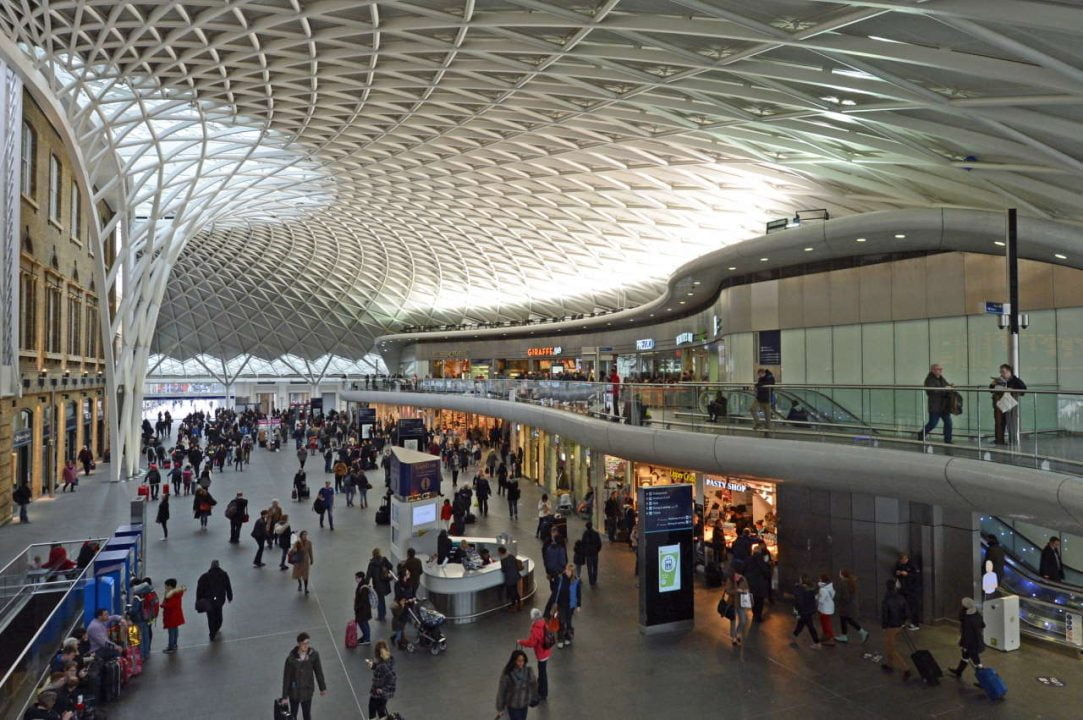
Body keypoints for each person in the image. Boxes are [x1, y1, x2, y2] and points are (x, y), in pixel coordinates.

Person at [281, 632, 327, 720]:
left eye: (308, 643)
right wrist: (284, 696)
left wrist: (322, 687)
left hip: (307, 690)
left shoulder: (313, 656)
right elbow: (286, 678)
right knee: (293, 715)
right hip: (294, 692)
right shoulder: (290, 660)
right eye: (304, 643)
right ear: (299, 644)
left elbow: (318, 672)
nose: (306, 646)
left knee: (307, 714)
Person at [516, 608, 552, 703]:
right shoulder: (543, 623)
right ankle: (541, 688)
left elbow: (531, 643)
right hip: (546, 651)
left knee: (542, 673)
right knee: (542, 672)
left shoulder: (536, 629)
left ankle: (543, 693)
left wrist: (521, 642)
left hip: (541, 654)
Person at [880, 579, 911, 681]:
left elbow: (885, 615)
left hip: (891, 626)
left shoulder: (886, 599)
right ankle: (890, 664)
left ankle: (905, 668)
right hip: (899, 625)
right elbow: (906, 612)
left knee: (891, 648)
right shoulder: (901, 598)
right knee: (888, 645)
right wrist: (902, 622)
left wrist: (884, 627)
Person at [544, 563, 581, 648]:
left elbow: (578, 594)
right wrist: (551, 580)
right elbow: (554, 589)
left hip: (570, 605)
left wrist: (578, 605)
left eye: (569, 571)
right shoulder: (560, 578)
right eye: (566, 570)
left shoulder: (576, 581)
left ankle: (568, 637)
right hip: (561, 604)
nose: (567, 572)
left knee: (568, 622)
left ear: (573, 572)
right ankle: (560, 639)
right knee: (561, 621)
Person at [949, 597, 986, 680]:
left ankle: (984, 680)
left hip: (970, 644)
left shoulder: (967, 619)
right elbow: (983, 625)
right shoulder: (977, 614)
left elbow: (967, 635)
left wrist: (965, 646)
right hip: (977, 640)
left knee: (975, 660)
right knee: (966, 657)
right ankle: (958, 671)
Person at [990, 363, 1027, 446]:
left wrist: (1012, 389)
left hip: (1010, 404)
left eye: (1003, 372)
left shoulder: (1015, 380)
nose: (1002, 374)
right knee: (999, 422)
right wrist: (992, 385)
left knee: (1011, 422)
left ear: (1009, 371)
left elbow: (1024, 389)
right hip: (999, 404)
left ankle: (1012, 440)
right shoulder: (999, 380)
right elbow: (991, 390)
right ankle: (999, 440)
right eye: (1001, 372)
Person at [196, 559, 233, 641]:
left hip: (208, 601)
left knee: (210, 617)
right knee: (219, 615)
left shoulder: (204, 577)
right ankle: (216, 628)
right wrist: (230, 597)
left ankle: (212, 633)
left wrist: (198, 600)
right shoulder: (223, 575)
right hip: (220, 600)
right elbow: (228, 586)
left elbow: (199, 590)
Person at [496, 649, 538, 720]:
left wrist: (533, 695)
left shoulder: (528, 671)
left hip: (524, 705)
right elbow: (502, 691)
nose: (521, 663)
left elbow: (534, 685)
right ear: (514, 661)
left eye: (523, 660)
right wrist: (500, 708)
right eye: (519, 660)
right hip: (513, 706)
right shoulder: (507, 674)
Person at [920, 363, 954, 444]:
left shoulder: (941, 378)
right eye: (938, 369)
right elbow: (931, 391)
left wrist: (950, 386)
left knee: (948, 423)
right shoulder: (929, 380)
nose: (940, 371)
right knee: (933, 423)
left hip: (944, 406)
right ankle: (921, 434)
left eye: (941, 369)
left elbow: (946, 386)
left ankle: (948, 440)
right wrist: (944, 389)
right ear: (932, 370)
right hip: (935, 406)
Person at [834, 569, 868, 643]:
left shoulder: (844, 584)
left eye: (840, 573)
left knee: (847, 619)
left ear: (842, 575)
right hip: (850, 605)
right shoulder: (851, 582)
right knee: (845, 620)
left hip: (845, 606)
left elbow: (845, 596)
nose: (839, 575)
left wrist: (838, 598)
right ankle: (845, 635)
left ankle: (861, 632)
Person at [790, 575, 821, 650]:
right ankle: (795, 634)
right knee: (801, 622)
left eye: (800, 579)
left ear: (802, 581)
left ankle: (817, 643)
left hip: (804, 610)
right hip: (810, 610)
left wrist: (797, 610)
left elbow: (799, 601)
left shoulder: (801, 589)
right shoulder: (811, 588)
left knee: (810, 626)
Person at [366, 641, 396, 719]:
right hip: (381, 693)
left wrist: (382, 690)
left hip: (379, 692)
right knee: (381, 710)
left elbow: (392, 678)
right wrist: (373, 666)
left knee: (373, 710)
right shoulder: (386, 660)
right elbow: (381, 669)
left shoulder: (383, 665)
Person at [894, 552, 922, 630]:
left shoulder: (913, 565)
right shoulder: (899, 564)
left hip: (912, 589)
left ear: (906, 559)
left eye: (902, 561)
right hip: (903, 588)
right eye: (900, 561)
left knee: (913, 606)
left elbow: (917, 576)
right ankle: (902, 621)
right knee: (902, 605)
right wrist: (897, 573)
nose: (901, 562)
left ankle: (915, 623)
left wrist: (907, 574)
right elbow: (895, 572)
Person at [724, 569, 752, 645]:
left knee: (743, 620)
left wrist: (745, 591)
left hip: (741, 603)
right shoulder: (730, 580)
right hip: (732, 603)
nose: (738, 577)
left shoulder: (743, 579)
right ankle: (733, 637)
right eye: (737, 575)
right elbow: (727, 590)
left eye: (739, 575)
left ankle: (738, 632)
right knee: (733, 621)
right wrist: (737, 590)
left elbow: (747, 588)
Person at [745, 544, 772, 622]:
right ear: (760, 552)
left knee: (753, 599)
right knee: (760, 601)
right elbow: (766, 572)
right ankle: (758, 616)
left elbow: (743, 569)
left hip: (750, 584)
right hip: (760, 584)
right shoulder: (762, 560)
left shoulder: (748, 559)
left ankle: (754, 613)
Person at [366, 549, 393, 620]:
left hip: (377, 585)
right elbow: (390, 566)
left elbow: (368, 575)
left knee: (380, 600)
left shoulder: (372, 564)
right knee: (382, 599)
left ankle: (381, 616)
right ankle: (383, 614)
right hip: (385, 583)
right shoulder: (384, 559)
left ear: (373, 554)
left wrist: (366, 584)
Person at [161, 578, 185, 653]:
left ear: (170, 586)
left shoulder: (172, 595)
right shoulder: (177, 593)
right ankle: (174, 644)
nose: (165, 588)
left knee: (171, 632)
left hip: (171, 616)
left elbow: (169, 605)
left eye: (166, 586)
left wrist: (162, 605)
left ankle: (171, 647)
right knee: (175, 630)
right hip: (176, 615)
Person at [816, 573, 837, 646]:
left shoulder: (823, 589)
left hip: (824, 609)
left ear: (822, 580)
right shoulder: (830, 587)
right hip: (829, 607)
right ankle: (827, 636)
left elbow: (821, 600)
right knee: (827, 622)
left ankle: (830, 637)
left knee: (826, 623)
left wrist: (817, 597)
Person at [499, 546, 522, 611]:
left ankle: (513, 605)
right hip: (516, 576)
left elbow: (504, 570)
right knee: (515, 591)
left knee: (512, 592)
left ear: (500, 552)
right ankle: (519, 603)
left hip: (510, 578)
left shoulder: (503, 560)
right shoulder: (511, 556)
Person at [580, 522, 602, 587]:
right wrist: (597, 550)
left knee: (589, 568)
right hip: (595, 553)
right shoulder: (596, 533)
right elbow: (599, 544)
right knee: (595, 567)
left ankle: (591, 581)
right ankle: (594, 579)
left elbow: (583, 544)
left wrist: (585, 552)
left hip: (588, 554)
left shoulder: (585, 534)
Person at [354, 571, 372, 646]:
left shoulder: (363, 587)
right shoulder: (363, 585)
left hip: (362, 610)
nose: (355, 579)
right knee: (364, 623)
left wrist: (357, 607)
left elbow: (363, 600)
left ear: (360, 578)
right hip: (365, 609)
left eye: (356, 578)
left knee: (363, 623)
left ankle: (367, 639)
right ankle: (365, 636)